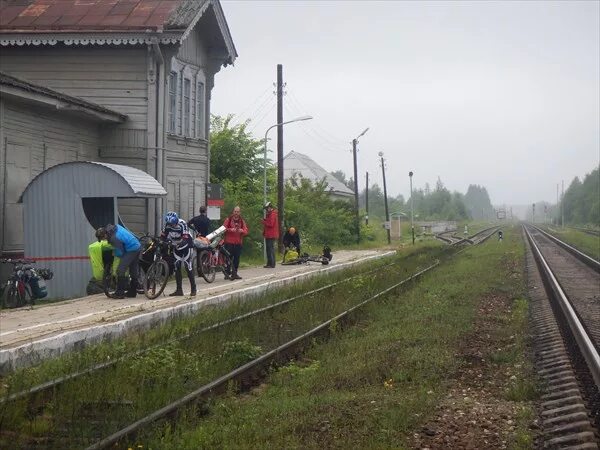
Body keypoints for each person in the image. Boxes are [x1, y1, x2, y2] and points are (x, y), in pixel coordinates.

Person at [97, 224, 141, 299]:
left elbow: (120, 253)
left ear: (105, 235)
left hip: (131, 249)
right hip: (137, 245)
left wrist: (114, 253)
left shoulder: (114, 238)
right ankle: (132, 292)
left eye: (102, 238)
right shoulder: (115, 227)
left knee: (120, 270)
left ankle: (120, 293)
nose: (103, 240)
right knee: (133, 270)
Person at [161, 211, 196, 296]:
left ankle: (193, 289)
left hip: (187, 245)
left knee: (188, 267)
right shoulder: (168, 225)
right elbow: (163, 236)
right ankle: (179, 290)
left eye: (173, 223)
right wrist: (163, 241)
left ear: (176, 220)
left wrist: (176, 244)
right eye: (170, 223)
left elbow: (185, 238)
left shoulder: (182, 223)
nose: (171, 225)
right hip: (176, 246)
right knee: (177, 267)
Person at [223, 206, 248, 280]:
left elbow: (246, 230)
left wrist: (242, 231)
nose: (236, 213)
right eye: (235, 211)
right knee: (228, 258)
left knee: (236, 259)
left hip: (238, 243)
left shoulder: (242, 221)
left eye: (238, 212)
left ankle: (235, 273)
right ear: (233, 212)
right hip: (229, 242)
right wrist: (231, 230)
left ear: (240, 212)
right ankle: (227, 273)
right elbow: (223, 229)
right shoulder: (228, 219)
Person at [261, 201, 279, 268]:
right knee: (269, 249)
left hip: (271, 234)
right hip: (269, 234)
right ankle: (270, 263)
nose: (266, 210)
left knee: (270, 249)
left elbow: (271, 224)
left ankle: (272, 264)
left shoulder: (272, 214)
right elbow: (269, 222)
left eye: (266, 208)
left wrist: (264, 222)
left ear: (270, 207)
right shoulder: (270, 214)